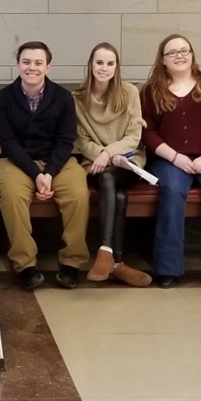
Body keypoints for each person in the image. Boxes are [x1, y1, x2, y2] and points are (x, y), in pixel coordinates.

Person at [141, 34, 201, 289]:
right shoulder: (151, 91)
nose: (179, 56)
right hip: (169, 159)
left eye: (185, 50)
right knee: (171, 190)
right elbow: (147, 132)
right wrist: (175, 157)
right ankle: (168, 267)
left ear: (192, 55)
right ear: (162, 60)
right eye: (172, 52)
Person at [0, 41, 90, 290]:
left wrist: (49, 173)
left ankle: (71, 262)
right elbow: (8, 142)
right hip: (17, 161)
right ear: (17, 65)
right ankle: (25, 265)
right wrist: (37, 174)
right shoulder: (3, 98)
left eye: (38, 63)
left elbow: (65, 140)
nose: (31, 67)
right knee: (12, 196)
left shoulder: (63, 98)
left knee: (78, 195)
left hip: (57, 161)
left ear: (48, 67)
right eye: (26, 62)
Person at [73, 43, 151, 287]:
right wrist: (103, 155)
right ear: (90, 65)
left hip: (128, 162)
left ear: (117, 67)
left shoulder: (129, 93)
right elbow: (81, 140)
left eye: (110, 63)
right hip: (94, 163)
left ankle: (105, 253)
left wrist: (112, 154)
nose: (104, 68)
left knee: (112, 179)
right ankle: (116, 262)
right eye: (99, 63)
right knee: (115, 193)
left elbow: (134, 136)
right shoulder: (77, 99)